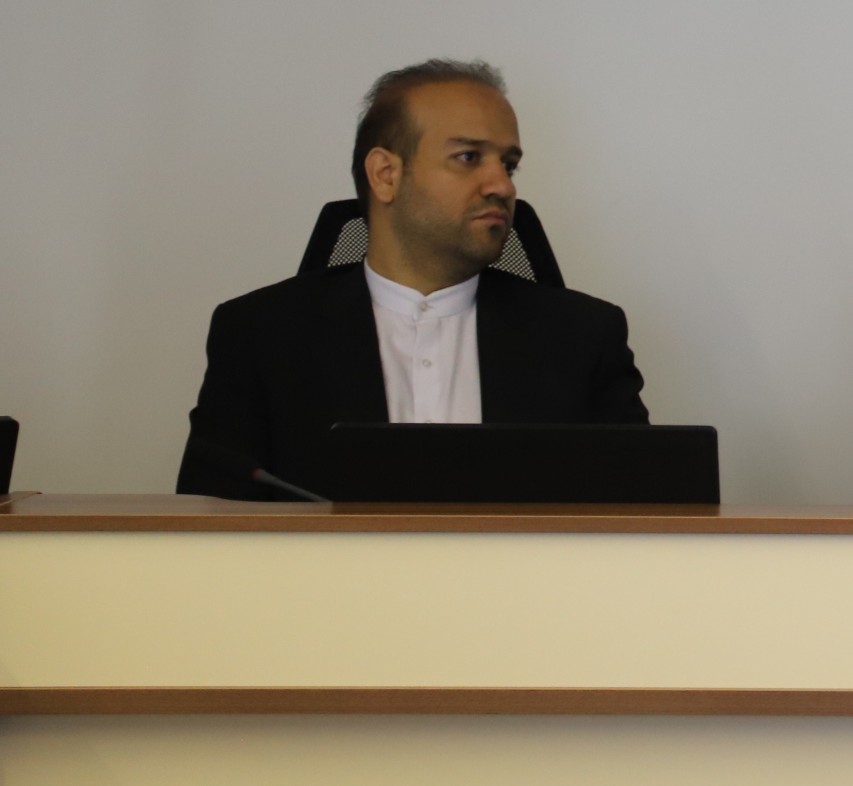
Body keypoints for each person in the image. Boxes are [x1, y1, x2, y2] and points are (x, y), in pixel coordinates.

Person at [175, 60, 648, 500]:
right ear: (385, 174)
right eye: (468, 157)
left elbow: (644, 514)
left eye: (508, 164)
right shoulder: (260, 335)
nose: (503, 186)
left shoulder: (585, 337)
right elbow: (209, 522)